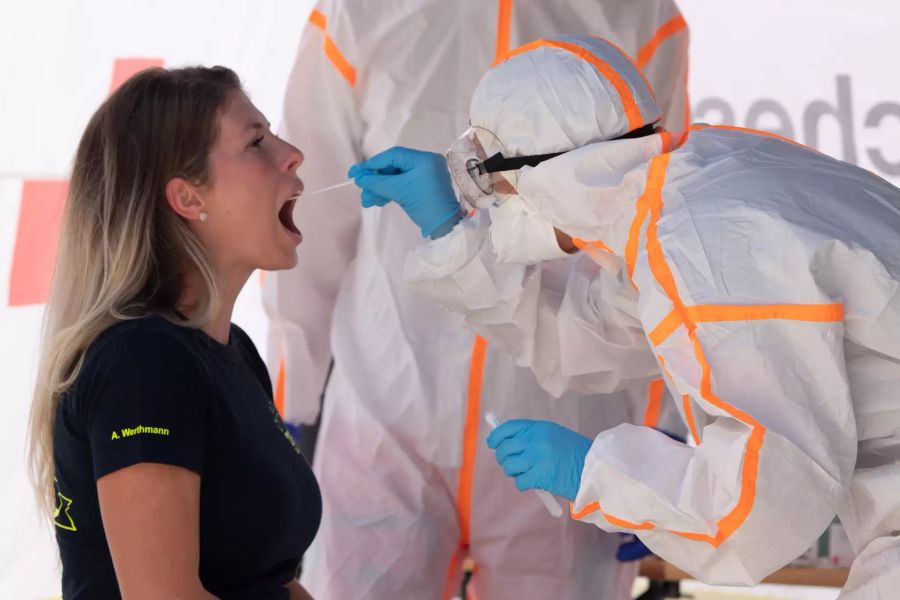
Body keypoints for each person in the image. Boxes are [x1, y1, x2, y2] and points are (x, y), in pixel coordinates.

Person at [350, 34, 900, 598]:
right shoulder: (695, 188)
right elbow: (583, 338)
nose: (493, 203)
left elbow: (762, 506)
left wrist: (594, 472)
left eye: (499, 185)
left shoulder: (708, 247)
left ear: (559, 174)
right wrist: (451, 232)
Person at [263, 1, 690, 598]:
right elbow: (310, 209)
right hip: (386, 405)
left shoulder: (635, 11)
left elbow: (653, 215)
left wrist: (662, 435)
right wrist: (290, 399)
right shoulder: (358, 11)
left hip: (569, 409)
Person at [27, 66, 320, 600]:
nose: (291, 153)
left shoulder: (231, 352)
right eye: (256, 142)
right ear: (188, 199)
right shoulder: (141, 363)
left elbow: (271, 581)